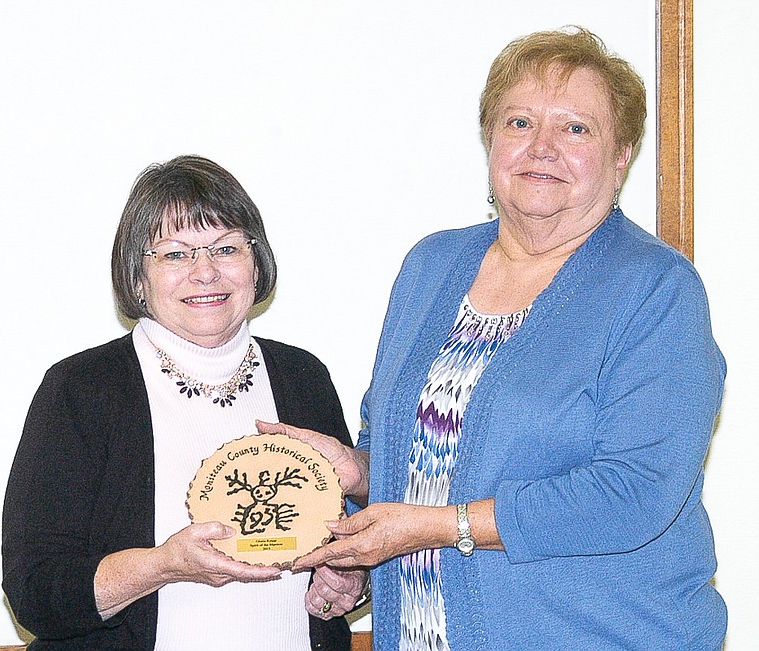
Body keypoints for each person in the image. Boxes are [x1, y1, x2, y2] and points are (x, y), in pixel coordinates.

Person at [259, 27, 727, 650]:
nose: (542, 148)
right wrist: (359, 486)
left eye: (576, 128)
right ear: (490, 141)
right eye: (519, 122)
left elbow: (636, 491)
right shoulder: (431, 266)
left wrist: (437, 526)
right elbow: (422, 454)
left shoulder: (656, 290)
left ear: (622, 157)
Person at [2, 155, 366, 650]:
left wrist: (345, 583)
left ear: (256, 265)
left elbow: (347, 536)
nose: (205, 272)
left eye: (226, 248)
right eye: (175, 254)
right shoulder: (81, 390)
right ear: (136, 277)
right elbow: (35, 591)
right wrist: (162, 566)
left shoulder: (303, 378)